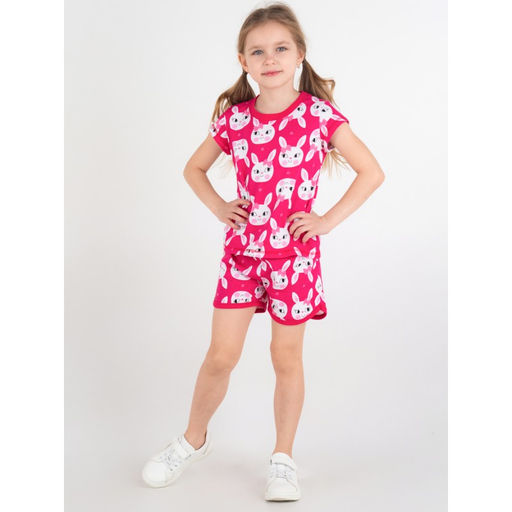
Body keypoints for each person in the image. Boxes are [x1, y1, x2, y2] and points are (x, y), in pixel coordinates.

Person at [142, 1, 385, 502]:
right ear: (243, 61)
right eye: (258, 51)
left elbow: (372, 172)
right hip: (241, 256)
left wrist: (324, 222)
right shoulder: (234, 120)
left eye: (280, 48)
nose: (270, 59)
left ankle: (283, 459)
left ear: (299, 55)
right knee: (221, 356)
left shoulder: (318, 115)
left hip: (295, 259)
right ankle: (192, 441)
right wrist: (219, 207)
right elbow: (193, 169)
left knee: (285, 356)